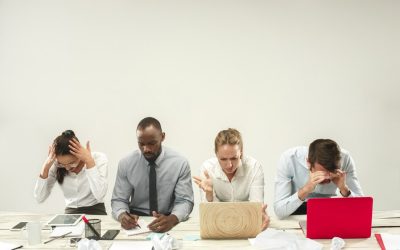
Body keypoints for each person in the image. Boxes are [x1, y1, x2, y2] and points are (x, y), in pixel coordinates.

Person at [111, 117, 194, 233]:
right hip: (136, 222)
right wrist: (122, 215)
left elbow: (184, 201)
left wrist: (172, 219)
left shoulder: (180, 163)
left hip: (168, 218)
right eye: (141, 144)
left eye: (152, 143)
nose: (146, 149)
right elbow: (119, 199)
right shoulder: (126, 163)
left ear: (162, 137)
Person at [193, 128, 270, 230]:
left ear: (241, 153)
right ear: (216, 154)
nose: (229, 165)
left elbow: (256, 207)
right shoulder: (207, 169)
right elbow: (209, 217)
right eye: (223, 159)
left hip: (246, 224)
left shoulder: (254, 167)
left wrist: (260, 214)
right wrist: (210, 195)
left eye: (234, 158)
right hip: (218, 224)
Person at [274, 139, 364, 219]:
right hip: (295, 210)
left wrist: (344, 189)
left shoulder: (345, 159)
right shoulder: (289, 159)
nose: (327, 178)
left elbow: (362, 208)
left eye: (332, 173)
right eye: (321, 173)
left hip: (330, 210)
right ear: (308, 163)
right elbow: (279, 211)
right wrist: (305, 189)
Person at [34, 130, 108, 215]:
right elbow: (39, 197)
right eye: (62, 164)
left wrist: (89, 161)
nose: (67, 168)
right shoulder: (56, 164)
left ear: (79, 153)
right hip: (70, 214)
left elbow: (100, 195)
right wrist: (46, 167)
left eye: (72, 162)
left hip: (96, 212)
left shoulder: (98, 158)